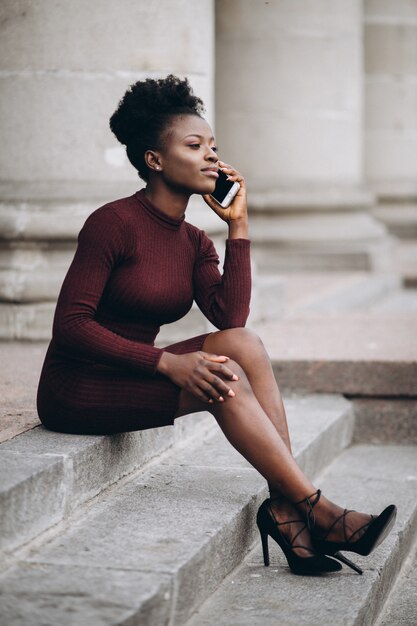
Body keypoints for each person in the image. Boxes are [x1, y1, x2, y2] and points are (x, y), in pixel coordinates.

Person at [37, 75, 396, 576]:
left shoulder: (193, 241)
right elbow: (71, 326)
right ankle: (318, 512)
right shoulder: (111, 223)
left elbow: (231, 321)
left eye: (214, 146)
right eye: (195, 145)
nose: (212, 157)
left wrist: (238, 227)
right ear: (153, 160)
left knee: (240, 344)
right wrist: (166, 363)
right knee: (225, 376)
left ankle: (289, 510)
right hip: (78, 387)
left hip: (139, 374)